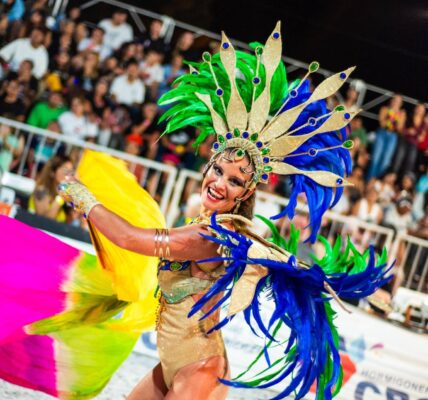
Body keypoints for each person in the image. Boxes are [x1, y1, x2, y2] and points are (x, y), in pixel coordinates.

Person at [0, 23, 389, 400]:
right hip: (173, 364)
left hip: (199, 370)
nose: (220, 183)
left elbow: (130, 238)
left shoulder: (212, 237)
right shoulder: (205, 224)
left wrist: (85, 200)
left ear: (246, 192)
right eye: (218, 170)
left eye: (234, 181)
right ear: (207, 166)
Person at [27, 155, 73, 222]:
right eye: (65, 170)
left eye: (70, 171)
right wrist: (61, 197)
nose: (68, 175)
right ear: (52, 172)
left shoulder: (66, 196)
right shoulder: (41, 191)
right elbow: (44, 221)